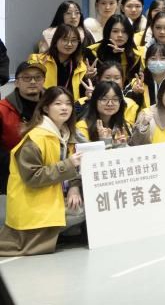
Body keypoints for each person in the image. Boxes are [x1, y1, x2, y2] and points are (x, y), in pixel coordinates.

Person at [0, 87, 84, 256]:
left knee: (87, 203)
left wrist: (74, 187)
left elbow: (73, 168)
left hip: (53, 197)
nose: (64, 108)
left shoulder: (65, 134)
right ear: (45, 108)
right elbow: (32, 177)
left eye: (68, 103)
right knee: (87, 209)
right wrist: (68, 165)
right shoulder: (35, 138)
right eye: (58, 104)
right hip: (34, 205)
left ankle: (61, 234)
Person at [1, 63, 47, 192]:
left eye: (38, 77)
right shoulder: (2, 109)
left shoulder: (53, 105)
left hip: (49, 173)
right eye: (26, 78)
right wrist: (17, 163)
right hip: (12, 177)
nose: (33, 81)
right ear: (16, 83)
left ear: (44, 81)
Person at [29, 22, 93, 99]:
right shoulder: (38, 60)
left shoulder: (81, 67)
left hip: (69, 105)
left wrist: (87, 78)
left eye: (73, 40)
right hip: (44, 103)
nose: (69, 44)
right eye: (65, 40)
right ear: (55, 41)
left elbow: (81, 96)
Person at [75, 80, 131, 147]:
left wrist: (120, 145)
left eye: (115, 99)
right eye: (104, 99)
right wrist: (104, 142)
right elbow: (86, 153)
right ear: (95, 101)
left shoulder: (123, 125)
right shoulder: (82, 127)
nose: (110, 104)